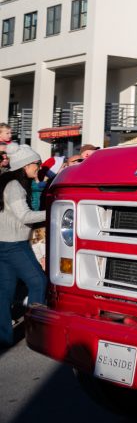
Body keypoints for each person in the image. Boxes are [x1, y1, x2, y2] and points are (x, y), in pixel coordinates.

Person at [0, 143, 46, 348]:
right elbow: (25, 216)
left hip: (4, 243)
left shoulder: (7, 182)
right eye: (37, 163)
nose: (39, 167)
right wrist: (52, 212)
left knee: (5, 291)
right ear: (26, 164)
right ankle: (35, 332)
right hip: (15, 244)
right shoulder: (15, 186)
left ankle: (4, 337)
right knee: (39, 283)